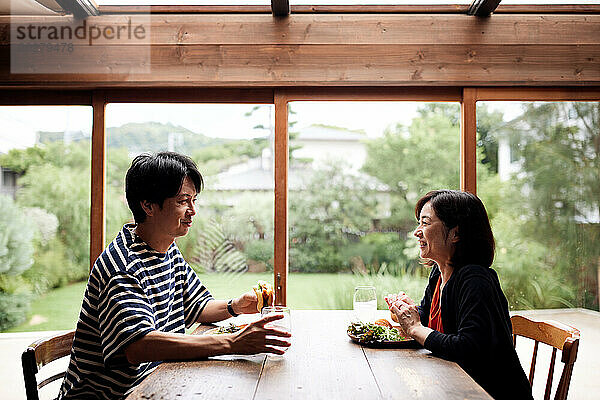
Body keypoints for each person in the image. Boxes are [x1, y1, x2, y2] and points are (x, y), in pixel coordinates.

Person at [58, 152, 290, 399]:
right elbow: (139, 345)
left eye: (194, 200)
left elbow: (198, 307)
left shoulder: (166, 250)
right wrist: (234, 342)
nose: (193, 211)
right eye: (183, 201)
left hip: (157, 386)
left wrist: (237, 306)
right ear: (148, 205)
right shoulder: (122, 265)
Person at [386, 189, 532, 400]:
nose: (417, 232)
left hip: (486, 394)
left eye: (425, 223)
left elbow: (467, 348)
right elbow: (429, 319)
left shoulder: (476, 280)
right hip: (452, 386)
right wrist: (409, 312)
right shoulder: (439, 271)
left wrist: (416, 329)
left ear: (456, 233)